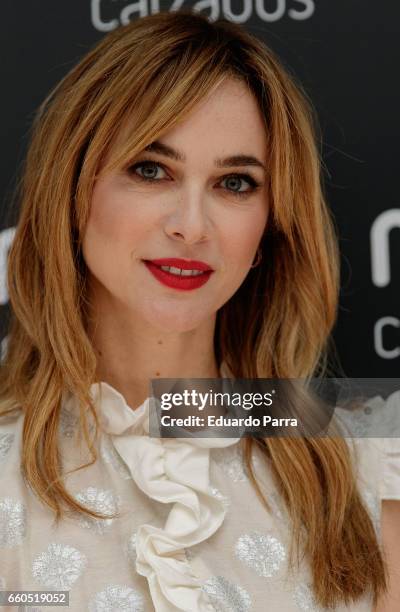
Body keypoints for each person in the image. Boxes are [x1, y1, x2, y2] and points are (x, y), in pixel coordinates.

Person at [0, 9, 399, 612]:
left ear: (268, 226)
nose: (191, 227)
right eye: (151, 170)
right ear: (73, 191)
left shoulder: (363, 478)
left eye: (234, 183)